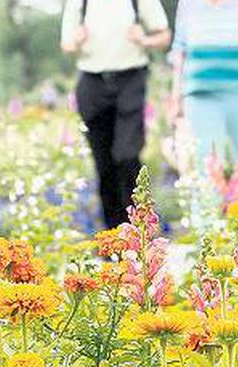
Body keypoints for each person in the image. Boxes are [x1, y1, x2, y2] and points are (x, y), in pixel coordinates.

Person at [61, 0, 171, 230]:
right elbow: (67, 44)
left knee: (126, 154)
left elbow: (164, 36)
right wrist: (76, 41)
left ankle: (139, 231)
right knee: (104, 164)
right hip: (92, 82)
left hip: (130, 78)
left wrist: (144, 40)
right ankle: (114, 238)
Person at [168, 0, 238, 172]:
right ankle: (207, 200)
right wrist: (175, 97)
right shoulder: (188, 4)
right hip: (200, 95)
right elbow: (180, 51)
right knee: (205, 163)